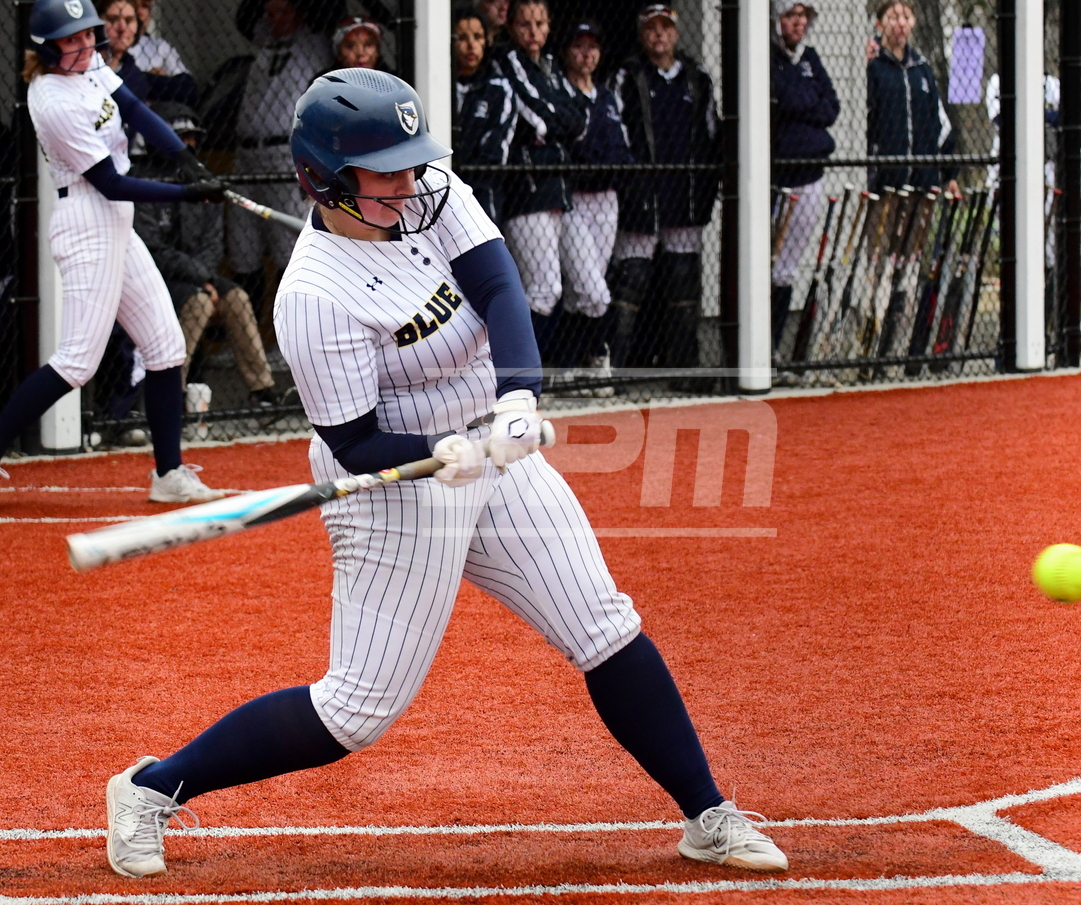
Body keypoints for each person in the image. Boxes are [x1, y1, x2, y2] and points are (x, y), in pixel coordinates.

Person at [103, 69, 789, 881]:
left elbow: (498, 284)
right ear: (326, 180)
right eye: (384, 172)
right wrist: (440, 448)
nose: (408, 182)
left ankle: (707, 813)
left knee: (603, 625)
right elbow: (354, 439)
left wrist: (518, 394)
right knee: (356, 709)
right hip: (397, 486)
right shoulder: (312, 297)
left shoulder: (429, 191)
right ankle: (151, 787)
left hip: (490, 446)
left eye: (410, 162)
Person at [0, 0, 224, 502]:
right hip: (87, 219)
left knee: (166, 347)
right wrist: (186, 193)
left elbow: (135, 108)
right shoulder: (51, 99)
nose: (85, 44)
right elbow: (110, 183)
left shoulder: (89, 64)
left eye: (87, 34)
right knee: (77, 363)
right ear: (46, 48)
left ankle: (169, 475)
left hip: (117, 222)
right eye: (71, 39)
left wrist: (186, 160)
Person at [131, 103, 277, 406]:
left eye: (192, 137)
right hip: (158, 277)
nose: (189, 144)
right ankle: (173, 393)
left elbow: (213, 244)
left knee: (237, 298)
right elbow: (152, 250)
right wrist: (202, 281)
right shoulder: (141, 180)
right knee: (199, 302)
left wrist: (205, 279)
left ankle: (262, 392)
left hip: (199, 275)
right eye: (181, 137)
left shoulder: (203, 179)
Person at [607, 3, 720, 374]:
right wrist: (629, 181)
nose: (659, 35)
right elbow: (615, 131)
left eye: (666, 28)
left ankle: (684, 368)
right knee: (630, 281)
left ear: (676, 33)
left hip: (684, 198)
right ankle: (615, 367)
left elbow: (711, 134)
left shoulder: (696, 77)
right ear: (642, 35)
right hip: (642, 197)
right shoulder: (628, 75)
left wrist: (706, 189)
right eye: (652, 28)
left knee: (683, 285)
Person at [491, 0, 587, 354]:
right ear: (512, 28)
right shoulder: (507, 60)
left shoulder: (550, 65)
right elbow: (537, 118)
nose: (533, 32)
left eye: (540, 24)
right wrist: (558, 121)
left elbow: (580, 117)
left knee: (588, 287)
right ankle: (522, 365)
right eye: (525, 24)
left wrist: (558, 122)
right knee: (543, 289)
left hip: (560, 187)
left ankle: (569, 363)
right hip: (529, 189)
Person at [228, 0, 331, 315]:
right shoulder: (265, 38)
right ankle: (249, 332)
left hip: (284, 153)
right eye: (270, 13)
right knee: (242, 248)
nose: (275, 20)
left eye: (283, 11)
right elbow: (245, 16)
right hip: (245, 154)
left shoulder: (314, 43)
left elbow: (329, 9)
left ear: (300, 11)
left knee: (289, 249)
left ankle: (286, 331)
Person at [556, 18, 633, 388]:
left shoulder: (607, 97)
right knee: (593, 290)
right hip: (573, 200)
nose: (586, 54)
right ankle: (600, 353)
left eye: (592, 47)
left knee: (582, 291)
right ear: (566, 52)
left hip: (606, 199)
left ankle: (573, 362)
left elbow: (622, 146)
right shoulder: (561, 94)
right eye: (579, 46)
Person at [769, 0, 839, 359]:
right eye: (790, 16)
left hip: (810, 175)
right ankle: (756, 345)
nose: (798, 23)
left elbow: (831, 107)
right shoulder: (766, 57)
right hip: (776, 178)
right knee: (766, 262)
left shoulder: (810, 58)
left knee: (787, 267)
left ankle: (773, 348)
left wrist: (797, 104)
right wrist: (803, 103)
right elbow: (776, 103)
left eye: (802, 16)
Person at [865, 0, 958, 195]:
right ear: (879, 24)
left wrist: (950, 174)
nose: (901, 23)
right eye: (893, 17)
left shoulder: (922, 69)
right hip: (884, 182)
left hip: (922, 182)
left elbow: (940, 123)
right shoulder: (872, 67)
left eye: (906, 17)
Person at [452, 5, 515, 226]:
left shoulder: (498, 88)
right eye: (462, 38)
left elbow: (497, 142)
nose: (471, 45)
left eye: (477, 37)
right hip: (444, 185)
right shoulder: (439, 86)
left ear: (486, 41)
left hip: (482, 190)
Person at [98, 0, 197, 108]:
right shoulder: (89, 62)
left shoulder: (135, 74)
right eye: (113, 20)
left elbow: (188, 88)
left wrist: (146, 78)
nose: (122, 27)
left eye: (129, 20)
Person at [131, 0, 189, 77]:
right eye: (134, 5)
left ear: (150, 14)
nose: (139, 12)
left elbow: (184, 79)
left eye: (145, 6)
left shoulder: (160, 46)